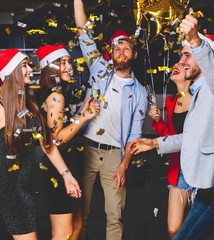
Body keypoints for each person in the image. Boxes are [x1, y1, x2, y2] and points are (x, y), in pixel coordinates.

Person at [130, 14, 214, 239]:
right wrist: (155, 142)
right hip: (211, 183)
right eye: (182, 54)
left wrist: (196, 41)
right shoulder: (198, 94)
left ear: (207, 58)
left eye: (188, 55)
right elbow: (192, 137)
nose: (182, 60)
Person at [0, 49, 82, 240]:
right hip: (9, 188)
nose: (30, 70)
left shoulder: (29, 101)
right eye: (24, 66)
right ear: (10, 72)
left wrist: (67, 176)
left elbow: (47, 143)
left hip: (28, 185)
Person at [74, 1, 148, 239]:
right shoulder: (99, 69)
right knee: (79, 213)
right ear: (111, 53)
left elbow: (135, 135)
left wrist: (124, 164)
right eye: (116, 48)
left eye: (125, 48)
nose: (121, 52)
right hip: (87, 148)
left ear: (134, 54)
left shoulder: (140, 92)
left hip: (116, 155)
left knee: (114, 215)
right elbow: (83, 32)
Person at [36, 43, 100, 240]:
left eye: (69, 62)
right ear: (50, 67)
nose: (68, 66)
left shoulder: (58, 92)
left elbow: (63, 126)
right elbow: (56, 138)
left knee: (77, 226)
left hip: (72, 163)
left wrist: (81, 112)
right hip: (59, 168)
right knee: (63, 233)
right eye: (62, 62)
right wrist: (85, 117)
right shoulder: (56, 96)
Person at [149, 62, 192, 238]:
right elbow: (170, 136)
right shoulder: (171, 100)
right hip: (179, 168)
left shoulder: (201, 98)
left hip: (203, 167)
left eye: (182, 63)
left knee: (205, 227)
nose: (176, 64)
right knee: (173, 229)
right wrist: (159, 120)